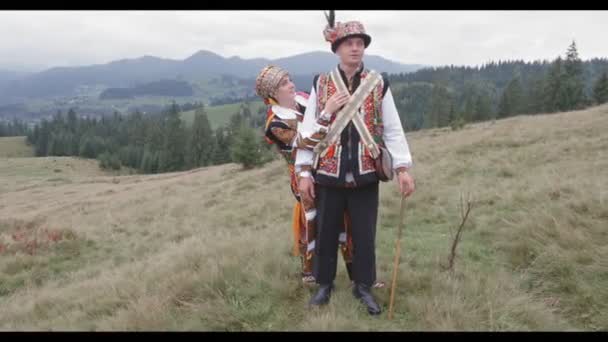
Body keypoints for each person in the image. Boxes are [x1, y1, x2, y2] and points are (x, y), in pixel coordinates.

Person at [295, 16, 415, 315]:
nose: (355, 48)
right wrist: (304, 171)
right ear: (336, 48)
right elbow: (307, 133)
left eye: (360, 43)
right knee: (325, 232)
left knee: (364, 233)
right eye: (349, 43)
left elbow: (393, 129)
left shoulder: (378, 83)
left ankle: (364, 286)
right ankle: (324, 285)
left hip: (365, 175)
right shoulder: (321, 84)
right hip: (327, 174)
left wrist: (402, 168)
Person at [255, 65, 364, 286]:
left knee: (344, 218)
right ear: (272, 94)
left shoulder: (305, 99)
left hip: (329, 166)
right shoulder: (275, 124)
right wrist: (327, 112)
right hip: (303, 178)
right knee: (314, 224)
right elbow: (306, 142)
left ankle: (357, 275)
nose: (292, 85)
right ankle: (311, 275)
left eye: (290, 79)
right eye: (284, 84)